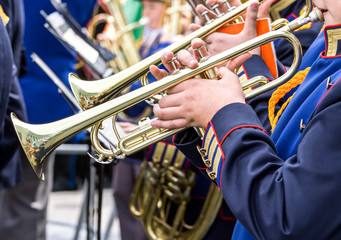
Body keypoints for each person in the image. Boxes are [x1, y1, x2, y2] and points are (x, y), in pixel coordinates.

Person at [149, 0, 341, 239]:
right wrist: (245, 63)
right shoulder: (328, 39)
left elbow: (285, 219)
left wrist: (222, 112)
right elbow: (284, 139)